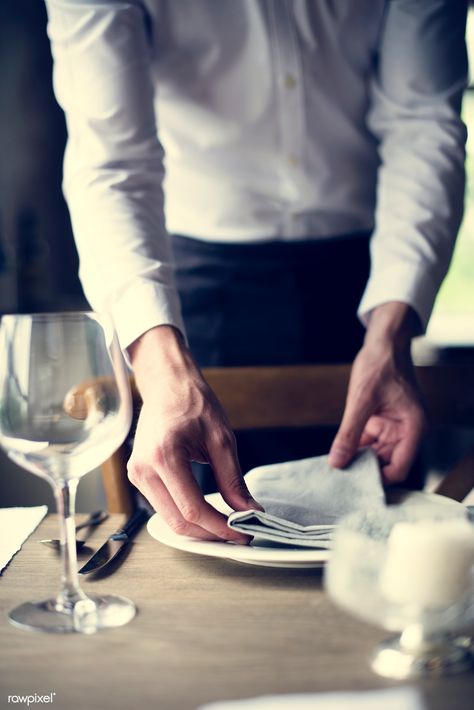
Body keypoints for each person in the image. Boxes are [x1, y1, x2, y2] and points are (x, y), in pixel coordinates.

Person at [45, 0, 468, 543]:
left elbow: (423, 124)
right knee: (202, 545)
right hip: (190, 294)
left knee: (377, 552)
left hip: (367, 288)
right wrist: (161, 372)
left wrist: (391, 332)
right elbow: (111, 162)